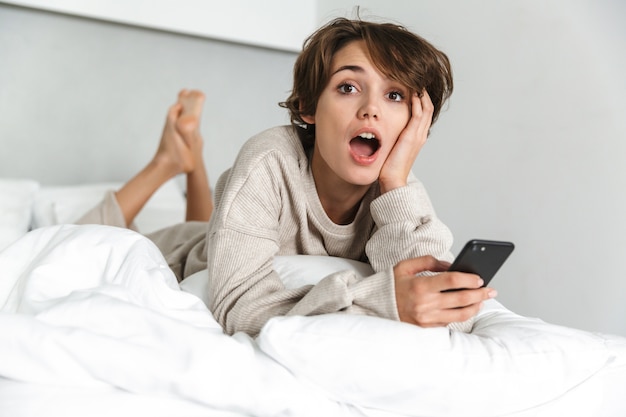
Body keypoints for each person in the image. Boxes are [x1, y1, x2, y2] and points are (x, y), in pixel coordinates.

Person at [79, 17, 497, 337]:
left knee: (209, 227)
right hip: (178, 251)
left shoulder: (399, 191)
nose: (371, 109)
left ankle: (192, 162)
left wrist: (394, 185)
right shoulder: (270, 159)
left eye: (394, 96)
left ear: (415, 123)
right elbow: (238, 306)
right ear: (308, 108)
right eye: (348, 87)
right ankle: (168, 162)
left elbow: (438, 308)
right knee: (79, 241)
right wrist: (382, 302)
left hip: (216, 232)